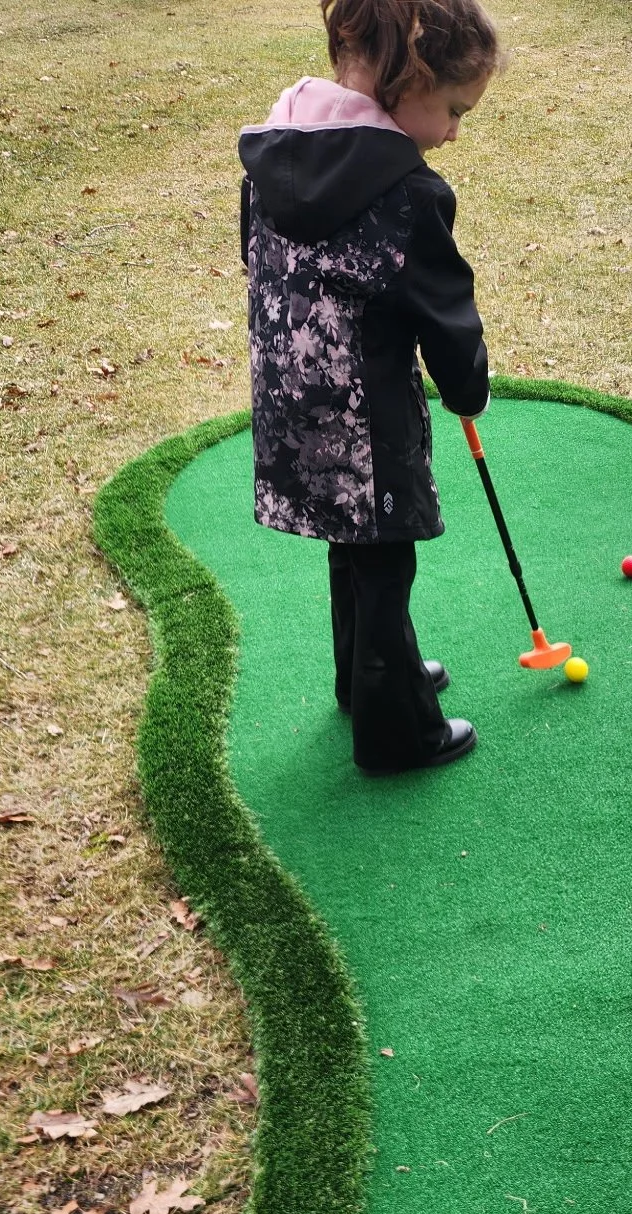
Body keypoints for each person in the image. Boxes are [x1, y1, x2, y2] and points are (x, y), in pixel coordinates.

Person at [238, 0, 498, 775]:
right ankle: (397, 733)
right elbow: (446, 316)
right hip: (364, 412)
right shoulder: (410, 194)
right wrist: (468, 389)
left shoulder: (273, 155)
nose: (453, 131)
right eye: (452, 110)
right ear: (406, 76)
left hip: (289, 397)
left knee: (351, 548)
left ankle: (363, 678)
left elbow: (255, 262)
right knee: (386, 561)